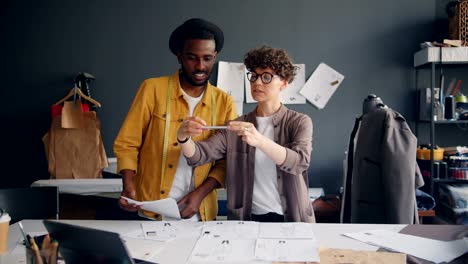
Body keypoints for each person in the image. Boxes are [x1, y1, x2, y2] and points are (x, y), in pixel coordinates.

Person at [114, 18, 237, 221]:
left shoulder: (224, 102)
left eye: (207, 58)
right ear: (179, 56)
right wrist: (128, 186)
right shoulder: (152, 89)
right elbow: (127, 144)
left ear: (215, 57)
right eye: (192, 57)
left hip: (201, 213)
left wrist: (199, 195)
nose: (200, 66)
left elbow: (227, 161)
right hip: (152, 209)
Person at [177, 46, 315, 223]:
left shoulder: (299, 122)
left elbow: (300, 163)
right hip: (248, 220)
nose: (257, 83)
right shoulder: (235, 127)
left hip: (292, 219)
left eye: (266, 77)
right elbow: (198, 155)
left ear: (284, 82)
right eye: (254, 76)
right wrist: (183, 137)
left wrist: (260, 141)